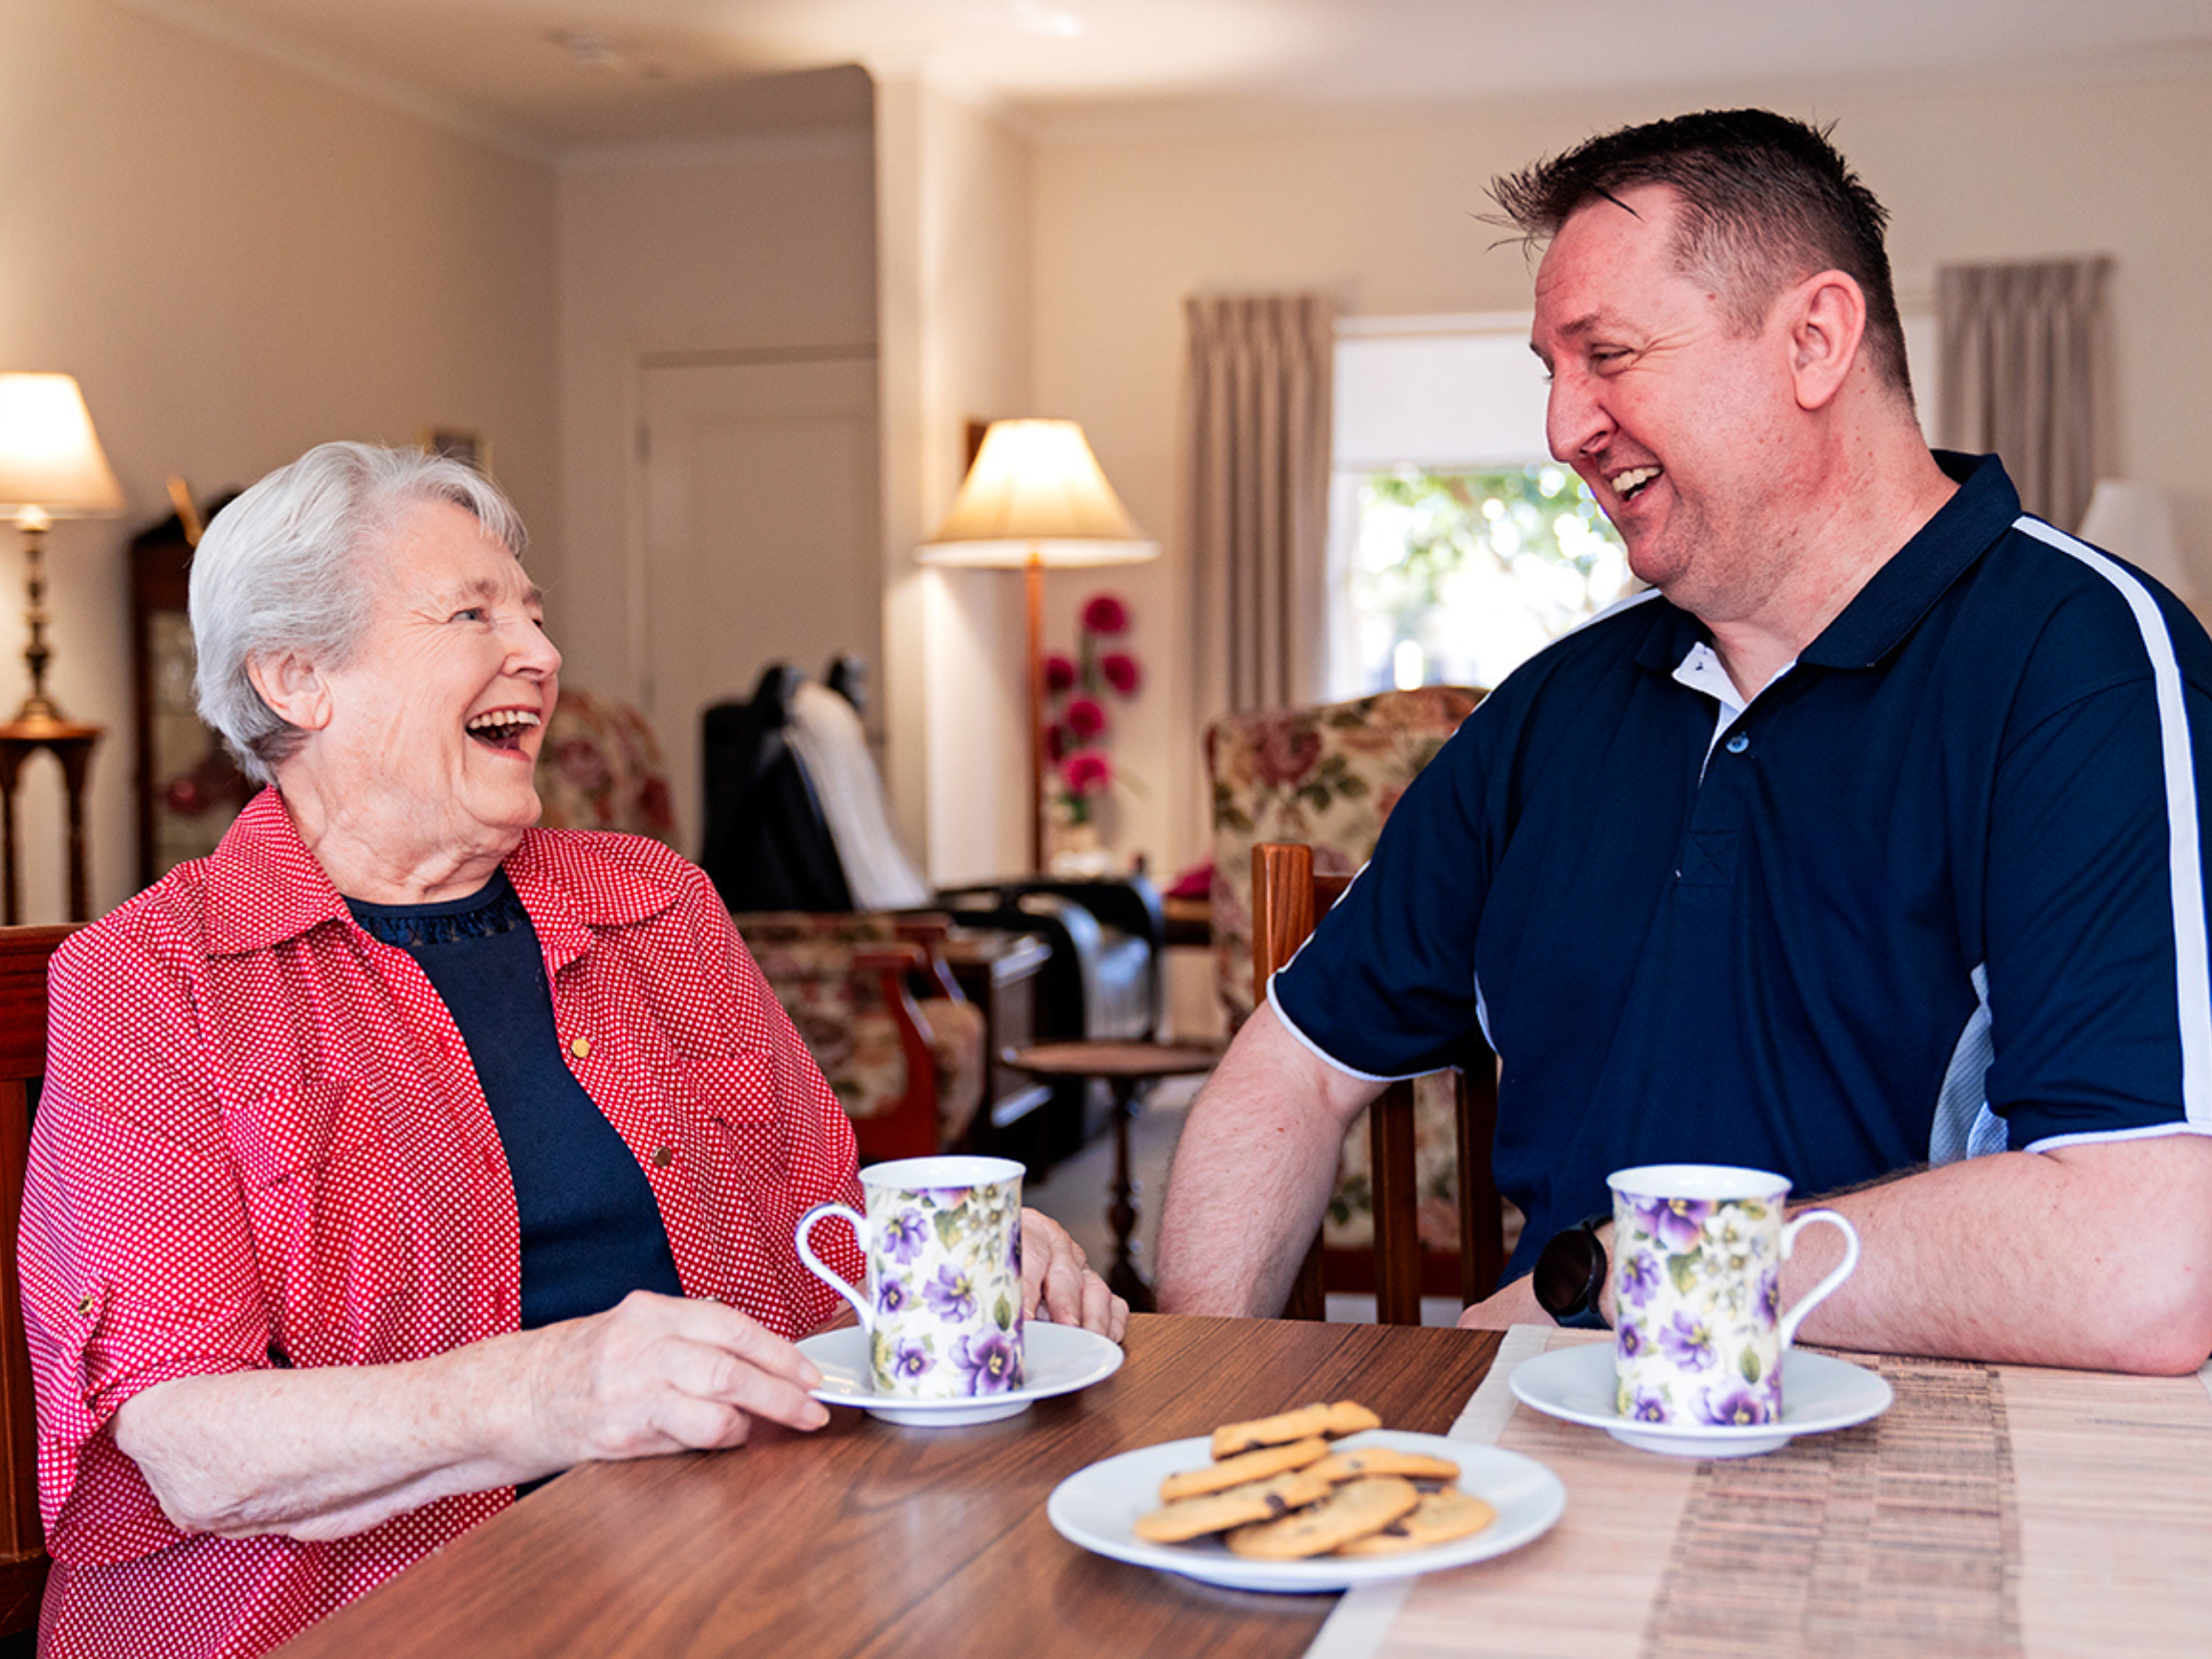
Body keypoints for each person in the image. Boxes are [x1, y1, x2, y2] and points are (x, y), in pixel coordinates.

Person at [18, 442, 1126, 1659]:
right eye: (473, 613)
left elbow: (822, 1225)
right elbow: (185, 1448)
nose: (540, 657)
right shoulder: (151, 983)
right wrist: (551, 1394)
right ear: (295, 678)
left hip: (737, 1564)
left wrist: (965, 1253)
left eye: (534, 616)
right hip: (343, 1621)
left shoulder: (655, 904)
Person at [1155, 109, 2212, 1375]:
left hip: (1904, 1460)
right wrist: (1203, 1387)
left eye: (1607, 355)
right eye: (1550, 370)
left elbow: (2145, 1265)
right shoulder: (1548, 710)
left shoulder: (2078, 658)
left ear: (1815, 339)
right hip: (1536, 1455)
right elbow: (1290, 1068)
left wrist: (1615, 1281)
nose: (1562, 430)